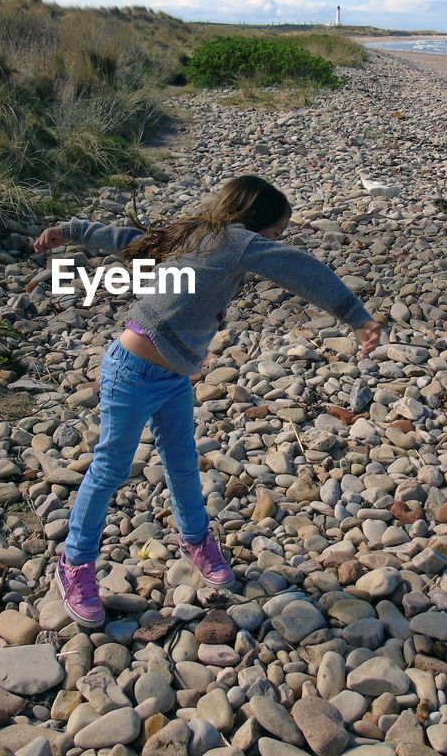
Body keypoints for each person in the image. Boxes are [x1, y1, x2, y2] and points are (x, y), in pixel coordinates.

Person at [32, 174, 382, 625]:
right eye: (277, 231)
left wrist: (74, 230)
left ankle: (197, 541)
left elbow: (130, 239)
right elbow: (301, 269)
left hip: (172, 377)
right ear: (256, 223)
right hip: (131, 372)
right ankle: (74, 563)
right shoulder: (236, 241)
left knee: (181, 463)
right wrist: (356, 316)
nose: (278, 240)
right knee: (110, 468)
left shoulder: (203, 235)